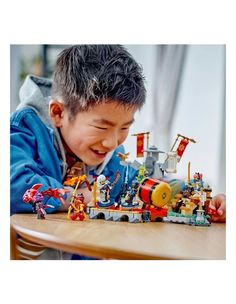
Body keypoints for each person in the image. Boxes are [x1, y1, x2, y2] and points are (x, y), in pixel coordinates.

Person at [10, 45, 226, 259]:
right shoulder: (24, 130)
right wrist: (83, 197)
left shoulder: (111, 160)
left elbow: (146, 184)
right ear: (58, 113)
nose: (112, 142)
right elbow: (14, 186)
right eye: (102, 127)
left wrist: (199, 198)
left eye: (124, 128)